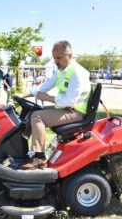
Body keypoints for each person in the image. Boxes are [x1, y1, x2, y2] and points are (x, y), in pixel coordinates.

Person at [19, 40, 91, 170]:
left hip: (76, 112)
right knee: (31, 113)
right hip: (66, 109)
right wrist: (22, 95)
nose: (56, 61)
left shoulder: (77, 73)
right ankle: (24, 150)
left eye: (59, 58)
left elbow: (70, 101)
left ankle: (39, 158)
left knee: (37, 117)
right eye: (54, 58)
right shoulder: (62, 71)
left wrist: (48, 98)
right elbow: (42, 88)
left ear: (69, 56)